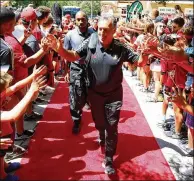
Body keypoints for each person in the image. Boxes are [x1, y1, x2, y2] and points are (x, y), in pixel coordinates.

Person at [46, 16, 140, 175]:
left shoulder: (120, 47)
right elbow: (73, 56)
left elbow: (138, 61)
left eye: (106, 30)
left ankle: (109, 159)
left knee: (112, 126)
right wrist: (59, 49)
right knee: (100, 123)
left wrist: (144, 53)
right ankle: (101, 133)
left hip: (114, 95)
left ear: (114, 31)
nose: (102, 33)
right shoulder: (90, 41)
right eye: (100, 29)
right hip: (94, 94)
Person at [63, 11, 94, 134]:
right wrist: (66, 71)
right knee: (75, 95)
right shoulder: (70, 35)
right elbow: (65, 54)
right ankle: (76, 119)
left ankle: (87, 101)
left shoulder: (94, 34)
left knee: (91, 92)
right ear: (75, 20)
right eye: (78, 19)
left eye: (83, 19)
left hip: (91, 69)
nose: (81, 22)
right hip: (75, 68)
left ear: (87, 20)